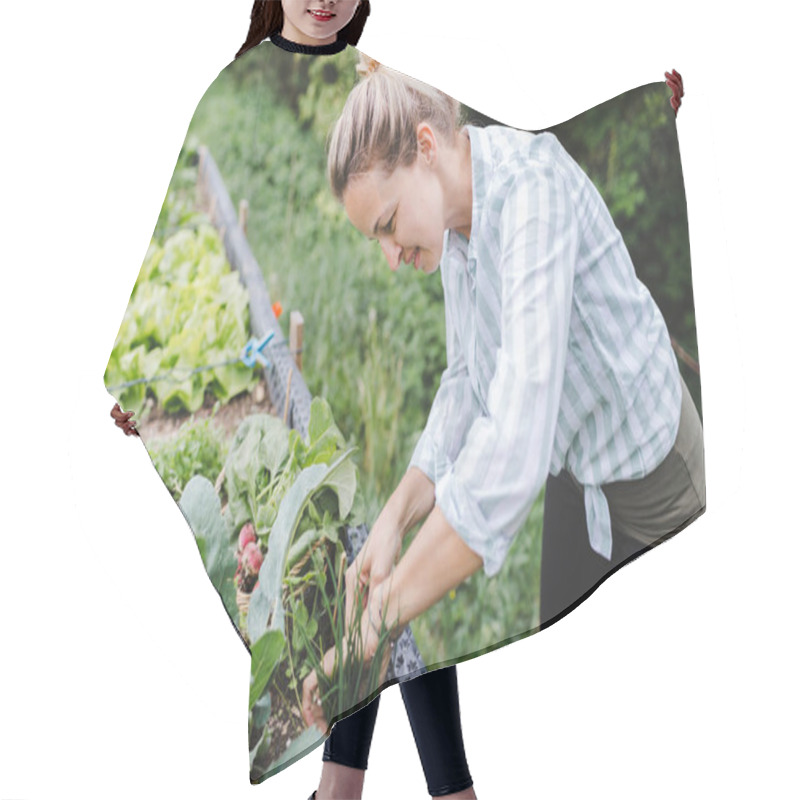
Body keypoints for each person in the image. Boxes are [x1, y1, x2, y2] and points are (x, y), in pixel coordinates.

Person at [110, 3, 477, 798]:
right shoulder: (237, 80)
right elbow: (176, 243)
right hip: (309, 389)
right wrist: (137, 382)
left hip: (380, 380)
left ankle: (359, 789)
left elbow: (484, 142)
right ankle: (397, 788)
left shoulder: (383, 76)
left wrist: (644, 112)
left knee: (391, 595)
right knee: (366, 590)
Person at [301, 50, 705, 749]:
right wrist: (397, 515)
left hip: (658, 484)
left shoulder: (530, 194)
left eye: (390, 225)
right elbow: (467, 379)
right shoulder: (455, 227)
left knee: (662, 710)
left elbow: (513, 442)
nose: (391, 257)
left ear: (426, 147)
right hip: (583, 481)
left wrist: (378, 624)